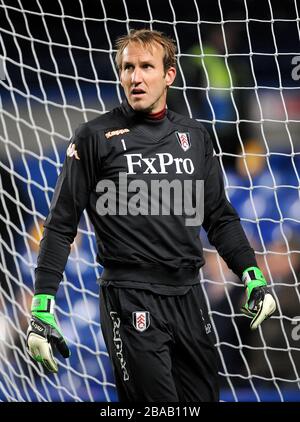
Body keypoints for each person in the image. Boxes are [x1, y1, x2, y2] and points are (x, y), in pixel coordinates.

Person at [26, 29, 276, 402]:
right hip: (130, 299)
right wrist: (42, 305)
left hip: (191, 296)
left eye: (146, 66)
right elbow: (61, 226)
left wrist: (252, 275)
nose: (135, 77)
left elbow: (220, 218)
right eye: (127, 67)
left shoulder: (194, 136)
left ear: (169, 75)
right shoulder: (94, 137)